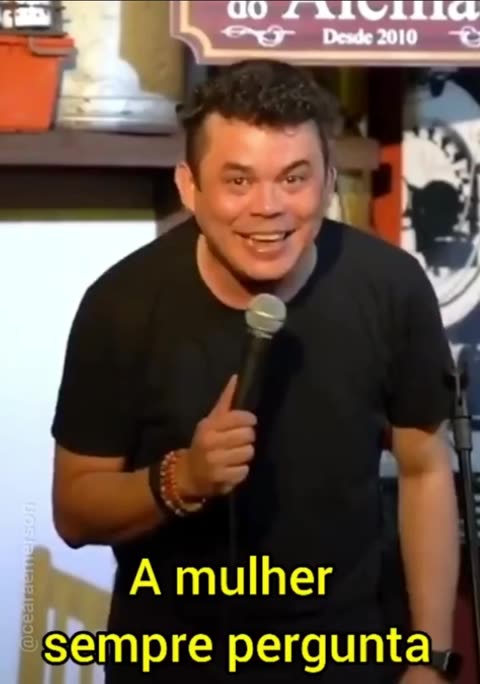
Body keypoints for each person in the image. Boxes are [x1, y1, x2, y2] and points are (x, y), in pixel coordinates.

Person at [51, 59, 460, 683]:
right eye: (238, 180)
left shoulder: (392, 287)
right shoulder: (121, 306)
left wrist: (430, 658)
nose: (268, 208)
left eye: (294, 178)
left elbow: (425, 470)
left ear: (329, 180)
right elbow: (75, 511)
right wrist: (182, 479)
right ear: (189, 187)